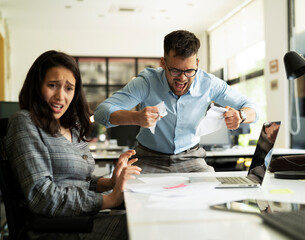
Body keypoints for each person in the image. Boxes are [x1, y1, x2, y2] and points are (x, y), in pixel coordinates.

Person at [5, 50, 141, 240]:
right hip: (56, 229)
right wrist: (108, 200)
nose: (61, 96)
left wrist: (109, 183)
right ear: (37, 86)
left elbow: (80, 181)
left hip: (81, 219)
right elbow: (41, 196)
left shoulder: (72, 127)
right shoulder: (25, 122)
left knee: (142, 214)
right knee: (141, 227)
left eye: (69, 88)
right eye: (52, 85)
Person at [94, 30, 258, 173]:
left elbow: (254, 109)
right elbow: (102, 112)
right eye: (175, 70)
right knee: (129, 197)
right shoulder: (147, 82)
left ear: (197, 64)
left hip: (191, 158)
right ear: (163, 63)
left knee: (209, 193)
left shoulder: (210, 84)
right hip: (149, 158)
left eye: (189, 70)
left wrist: (241, 116)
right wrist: (135, 117)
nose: (182, 78)